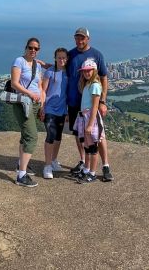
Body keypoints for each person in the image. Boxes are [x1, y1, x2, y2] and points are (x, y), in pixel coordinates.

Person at [66, 27, 114, 182]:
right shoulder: (71, 54)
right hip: (76, 104)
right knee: (80, 136)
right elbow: (60, 66)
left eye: (82, 38)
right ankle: (84, 163)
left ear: (88, 39)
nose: (79, 41)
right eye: (77, 38)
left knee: (98, 136)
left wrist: (103, 101)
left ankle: (105, 165)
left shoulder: (97, 55)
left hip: (92, 105)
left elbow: (104, 78)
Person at [10, 37, 44, 187]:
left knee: (25, 135)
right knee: (32, 136)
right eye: (31, 47)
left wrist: (42, 104)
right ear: (26, 47)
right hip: (23, 102)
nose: (33, 50)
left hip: (35, 104)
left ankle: (20, 164)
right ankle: (21, 176)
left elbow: (40, 86)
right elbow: (14, 83)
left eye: (36, 49)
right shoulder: (19, 61)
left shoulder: (37, 65)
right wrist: (30, 94)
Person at [38, 48, 68, 179]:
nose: (61, 60)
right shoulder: (50, 71)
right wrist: (42, 107)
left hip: (62, 109)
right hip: (50, 108)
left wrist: (67, 111)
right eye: (59, 57)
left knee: (58, 137)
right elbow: (43, 91)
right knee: (50, 135)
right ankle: (47, 165)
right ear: (55, 58)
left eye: (64, 57)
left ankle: (54, 160)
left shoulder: (69, 72)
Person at [74, 59, 104, 183]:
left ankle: (92, 173)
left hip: (91, 118)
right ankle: (86, 169)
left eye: (89, 70)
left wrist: (90, 125)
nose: (86, 73)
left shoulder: (95, 85)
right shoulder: (88, 84)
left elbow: (95, 107)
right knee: (86, 146)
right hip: (84, 117)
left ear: (94, 70)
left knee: (93, 148)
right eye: (84, 71)